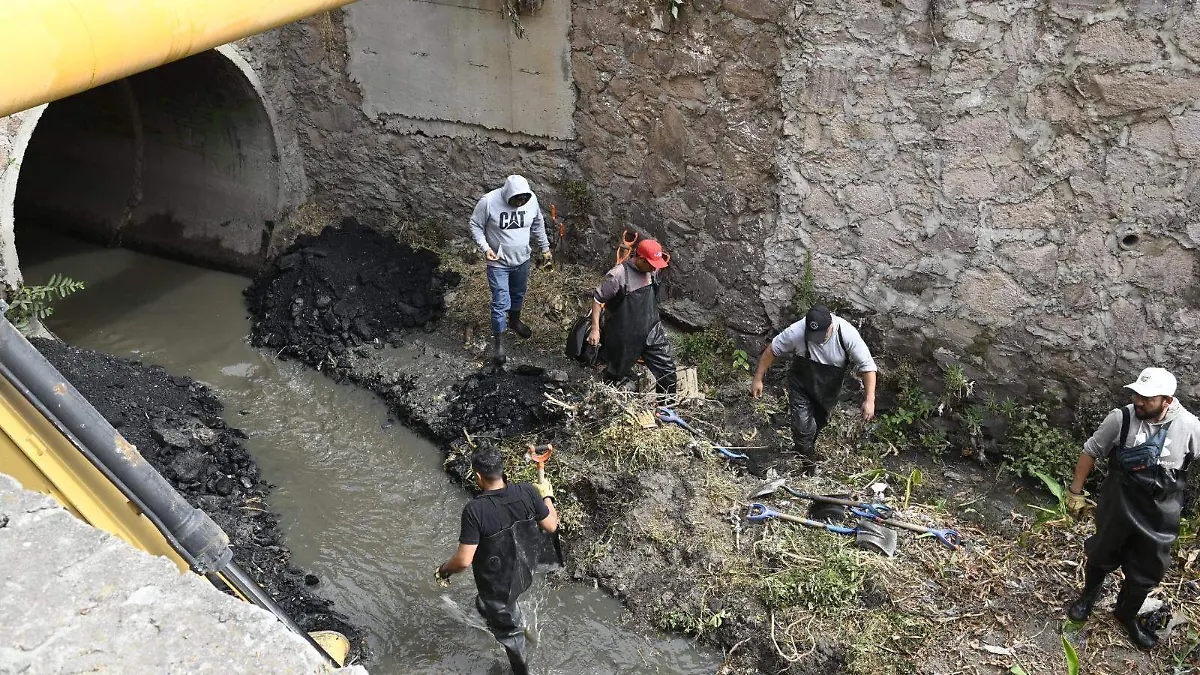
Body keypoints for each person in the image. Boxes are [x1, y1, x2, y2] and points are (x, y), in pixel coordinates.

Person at [1064, 367, 1199, 649]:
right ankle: (1088, 597)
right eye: (1137, 393)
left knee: (1148, 568)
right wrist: (1075, 493)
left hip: (1160, 514)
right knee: (1101, 551)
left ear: (1167, 401)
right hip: (1119, 505)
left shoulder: (1190, 427)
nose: (1139, 401)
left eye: (1147, 398)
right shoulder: (1121, 419)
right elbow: (1090, 451)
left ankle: (1125, 614)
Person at [435, 443, 557, 674]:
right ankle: (495, 612)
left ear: (479, 476)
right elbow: (551, 524)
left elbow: (463, 561)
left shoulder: (475, 510)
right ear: (503, 469)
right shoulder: (528, 492)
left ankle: (522, 670)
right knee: (497, 606)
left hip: (498, 586)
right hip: (523, 571)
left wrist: (443, 570)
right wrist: (547, 495)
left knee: (510, 633)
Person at [750, 305, 877, 474]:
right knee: (803, 427)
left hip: (828, 387)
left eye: (820, 335)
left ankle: (805, 450)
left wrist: (870, 399)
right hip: (801, 382)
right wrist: (758, 378)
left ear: (830, 326)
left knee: (818, 423)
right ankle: (808, 466)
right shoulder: (797, 331)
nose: (816, 340)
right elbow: (773, 350)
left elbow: (868, 367)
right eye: (812, 336)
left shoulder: (846, 334)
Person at [469, 175, 553, 366]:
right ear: (507, 195)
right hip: (498, 262)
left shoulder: (531, 201)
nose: (521, 202)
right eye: (517, 199)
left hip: (522, 259)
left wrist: (545, 249)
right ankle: (499, 345)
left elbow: (538, 224)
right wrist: (486, 248)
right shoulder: (489, 202)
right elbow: (474, 224)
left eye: (524, 199)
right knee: (500, 301)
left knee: (518, 293)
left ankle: (514, 322)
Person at [586, 238, 677, 394]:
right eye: (652, 264)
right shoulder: (618, 275)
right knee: (615, 376)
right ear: (641, 259)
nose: (655, 268)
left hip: (651, 330)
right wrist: (595, 329)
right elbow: (597, 299)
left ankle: (664, 411)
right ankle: (601, 400)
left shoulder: (652, 270)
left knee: (667, 371)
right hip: (624, 335)